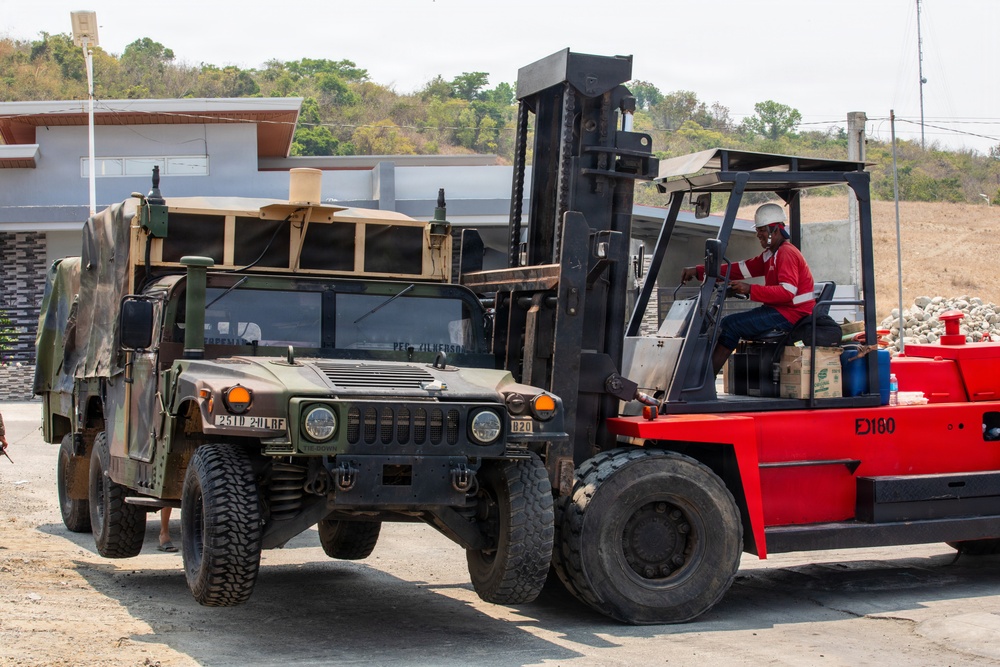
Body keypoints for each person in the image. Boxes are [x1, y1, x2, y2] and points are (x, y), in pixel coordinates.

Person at [681, 202, 815, 376]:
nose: (758, 233)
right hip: (781, 311)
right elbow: (739, 269)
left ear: (775, 229)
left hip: (792, 315)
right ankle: (704, 378)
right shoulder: (770, 255)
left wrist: (750, 289)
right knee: (728, 323)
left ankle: (705, 380)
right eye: (758, 229)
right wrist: (701, 270)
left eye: (762, 229)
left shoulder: (786, 253)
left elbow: (787, 293)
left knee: (730, 325)